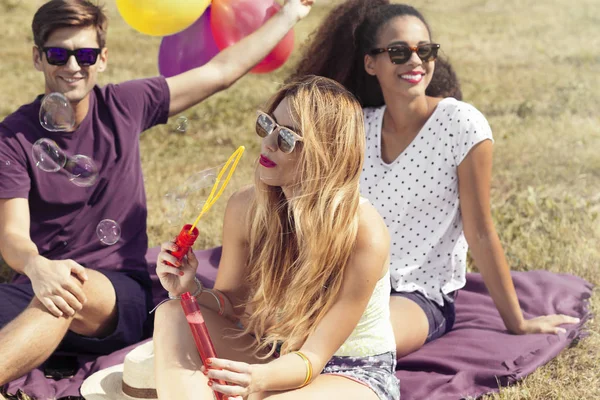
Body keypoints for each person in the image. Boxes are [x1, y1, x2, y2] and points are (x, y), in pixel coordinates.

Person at [0, 0, 315, 387]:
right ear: (37, 57)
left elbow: (219, 71)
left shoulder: (123, 106)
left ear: (102, 59)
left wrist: (288, 14)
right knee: (56, 291)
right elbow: (13, 235)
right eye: (57, 54)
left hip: (115, 295)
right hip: (39, 285)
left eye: (84, 54)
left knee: (69, 288)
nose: (72, 67)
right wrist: (36, 266)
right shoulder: (14, 136)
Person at [290, 0, 580, 358]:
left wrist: (517, 322)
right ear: (371, 63)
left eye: (424, 50)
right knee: (280, 335)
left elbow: (481, 231)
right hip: (346, 281)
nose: (415, 61)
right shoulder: (358, 126)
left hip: (417, 295)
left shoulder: (461, 125)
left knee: (358, 343)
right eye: (398, 52)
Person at [153, 75, 400, 400]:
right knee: (172, 314)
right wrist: (189, 290)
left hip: (349, 370)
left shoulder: (363, 232)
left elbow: (313, 357)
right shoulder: (246, 207)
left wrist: (259, 381)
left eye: (286, 138)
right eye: (266, 125)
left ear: (325, 153)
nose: (267, 142)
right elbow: (234, 306)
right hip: (274, 350)